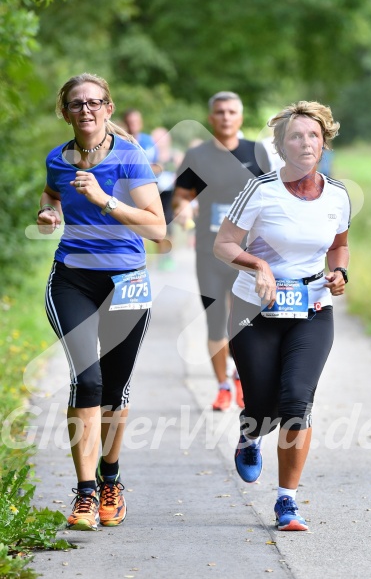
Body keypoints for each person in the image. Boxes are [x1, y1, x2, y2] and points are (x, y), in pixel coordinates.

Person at [36, 73, 166, 531]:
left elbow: (157, 228)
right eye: (76, 103)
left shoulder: (132, 158)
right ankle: (86, 492)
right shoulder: (57, 158)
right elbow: (53, 191)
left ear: (108, 109)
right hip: (72, 279)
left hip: (126, 282)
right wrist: (50, 210)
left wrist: (106, 200)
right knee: (86, 380)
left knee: (114, 387)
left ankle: (111, 480)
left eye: (94, 102)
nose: (85, 110)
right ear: (66, 111)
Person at [214, 100, 350, 531]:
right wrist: (260, 266)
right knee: (262, 404)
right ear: (282, 145)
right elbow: (224, 244)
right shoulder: (260, 190)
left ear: (323, 141)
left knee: (296, 400)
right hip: (255, 310)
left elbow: (339, 245)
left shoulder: (338, 195)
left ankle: (287, 501)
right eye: (296, 135)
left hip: (312, 308)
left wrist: (340, 272)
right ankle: (250, 433)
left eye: (313, 135)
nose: (305, 142)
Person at [173, 92, 266, 411]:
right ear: (211, 118)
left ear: (240, 117)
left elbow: (273, 194)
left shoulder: (257, 151)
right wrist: (184, 209)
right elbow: (182, 195)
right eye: (220, 112)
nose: (226, 117)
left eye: (231, 111)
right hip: (210, 252)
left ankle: (241, 380)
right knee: (215, 321)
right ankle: (223, 386)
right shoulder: (198, 155)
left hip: (248, 253)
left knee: (242, 322)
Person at [151, 127, 183, 270]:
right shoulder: (150, 156)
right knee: (155, 226)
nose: (159, 141)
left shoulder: (175, 155)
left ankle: (168, 256)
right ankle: (161, 255)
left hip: (170, 194)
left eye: (161, 138)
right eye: (156, 138)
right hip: (154, 193)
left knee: (168, 225)